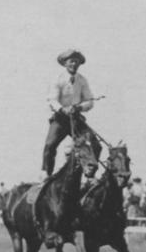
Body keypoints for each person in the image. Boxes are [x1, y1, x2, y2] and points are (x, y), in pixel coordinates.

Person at [41, 49, 101, 182]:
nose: (74, 64)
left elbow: (90, 101)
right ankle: (46, 174)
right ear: (65, 63)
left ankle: (89, 176)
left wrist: (79, 107)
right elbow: (52, 100)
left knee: (95, 144)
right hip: (60, 119)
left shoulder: (82, 80)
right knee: (50, 145)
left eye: (77, 62)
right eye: (71, 61)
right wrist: (62, 109)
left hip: (76, 118)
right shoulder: (58, 79)